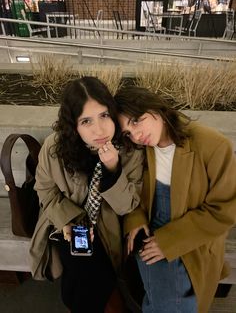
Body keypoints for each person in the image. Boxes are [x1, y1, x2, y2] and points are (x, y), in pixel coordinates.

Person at [114, 85, 236, 313]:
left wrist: (169, 241)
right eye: (127, 132)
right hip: (150, 229)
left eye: (137, 121)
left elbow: (225, 210)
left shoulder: (212, 145)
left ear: (155, 108)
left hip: (194, 236)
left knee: (174, 303)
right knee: (162, 297)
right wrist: (135, 218)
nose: (136, 135)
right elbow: (132, 191)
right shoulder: (139, 150)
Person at [29, 77, 144, 313]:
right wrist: (68, 221)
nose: (99, 129)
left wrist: (113, 169)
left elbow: (128, 206)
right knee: (88, 273)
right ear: (74, 125)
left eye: (104, 115)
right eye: (86, 121)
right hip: (68, 224)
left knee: (91, 280)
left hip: (111, 228)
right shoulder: (54, 149)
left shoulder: (129, 149)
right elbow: (45, 190)